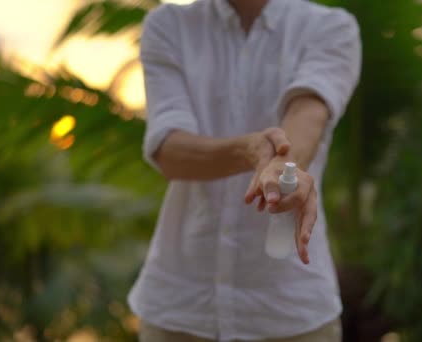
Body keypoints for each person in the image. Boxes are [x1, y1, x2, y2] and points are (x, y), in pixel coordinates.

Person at [128, 0, 362, 341]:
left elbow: (309, 114)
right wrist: (252, 152)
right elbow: (170, 150)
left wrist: (282, 166)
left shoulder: (330, 28)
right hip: (179, 310)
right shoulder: (168, 25)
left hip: (292, 313)